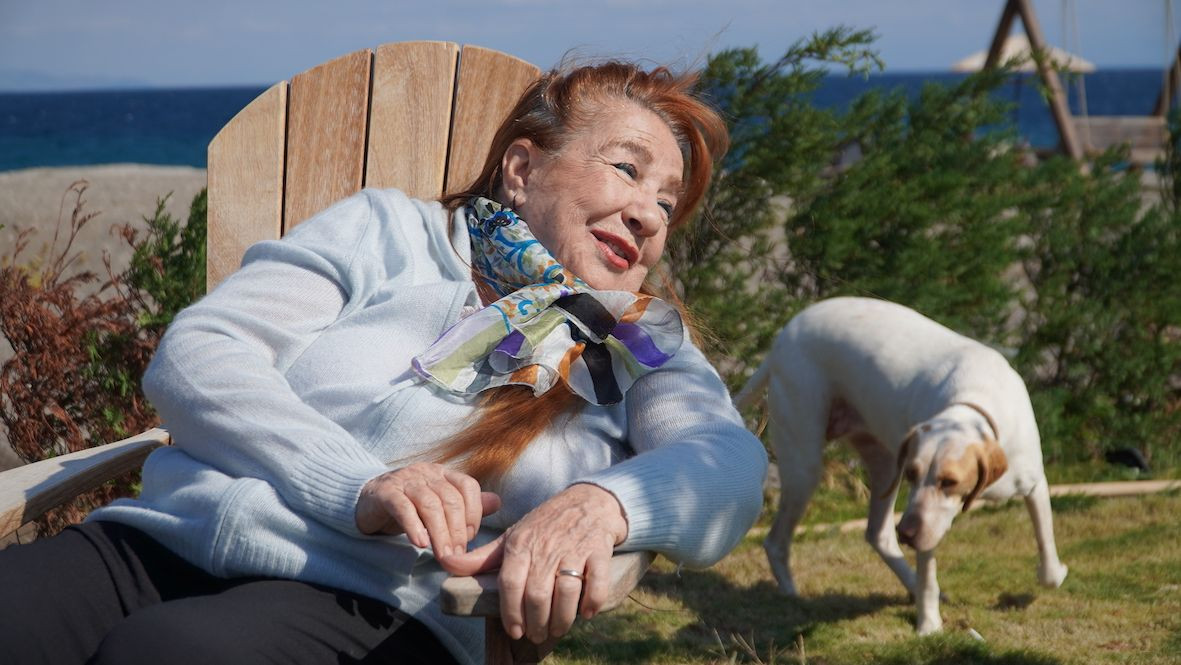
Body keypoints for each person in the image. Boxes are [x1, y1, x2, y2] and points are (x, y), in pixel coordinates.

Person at [0, 59, 767, 665]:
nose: (648, 215)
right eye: (628, 170)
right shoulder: (389, 231)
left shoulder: (634, 339)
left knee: (167, 654)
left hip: (377, 606)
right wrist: (358, 483)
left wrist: (605, 504)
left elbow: (726, 461)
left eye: (668, 204)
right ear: (522, 169)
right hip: (161, 538)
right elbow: (202, 353)